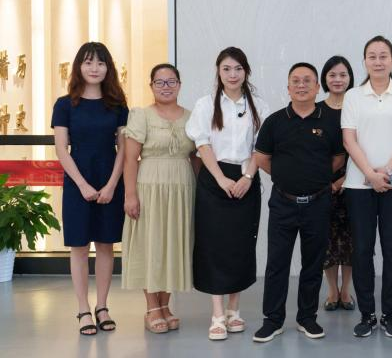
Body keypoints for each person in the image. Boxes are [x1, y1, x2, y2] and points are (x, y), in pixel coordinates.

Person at [252, 63, 346, 342]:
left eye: (307, 81)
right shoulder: (275, 122)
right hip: (283, 203)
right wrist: (285, 176)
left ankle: (307, 318)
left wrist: (318, 178)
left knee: (313, 263)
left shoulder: (330, 122)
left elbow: (338, 158)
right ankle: (273, 320)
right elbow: (261, 158)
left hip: (318, 203)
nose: (301, 85)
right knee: (277, 263)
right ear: (288, 87)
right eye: (296, 81)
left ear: (317, 87)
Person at [185, 47, 269, 341]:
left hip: (246, 178)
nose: (232, 75)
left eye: (238, 69)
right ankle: (217, 314)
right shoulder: (206, 104)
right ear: (218, 72)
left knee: (240, 245)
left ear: (246, 71)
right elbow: (202, 144)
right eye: (226, 69)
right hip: (214, 178)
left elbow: (260, 148)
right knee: (214, 245)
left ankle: (235, 310)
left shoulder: (258, 105)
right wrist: (221, 179)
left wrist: (247, 177)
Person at [341, 35, 392, 338]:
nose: (378, 61)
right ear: (364, 61)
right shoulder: (353, 96)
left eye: (383, 56)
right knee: (362, 250)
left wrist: (385, 171)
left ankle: (389, 315)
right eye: (372, 56)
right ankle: (367, 314)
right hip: (359, 184)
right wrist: (369, 173)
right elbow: (349, 139)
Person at [52, 42, 128, 335]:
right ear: (78, 67)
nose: (94, 68)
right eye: (88, 62)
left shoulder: (118, 105)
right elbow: (62, 149)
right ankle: (83, 309)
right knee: (80, 247)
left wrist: (112, 184)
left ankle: (103, 306)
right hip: (77, 183)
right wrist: (82, 184)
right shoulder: (64, 104)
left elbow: (123, 149)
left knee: (106, 245)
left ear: (108, 68)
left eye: (100, 62)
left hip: (110, 181)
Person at [122, 64, 197, 334]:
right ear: (151, 86)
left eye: (171, 81)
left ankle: (165, 305)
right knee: (151, 244)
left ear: (179, 84)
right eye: (160, 82)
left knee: (174, 244)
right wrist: (130, 194)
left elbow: (196, 157)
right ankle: (152, 307)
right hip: (149, 186)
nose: (166, 87)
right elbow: (130, 159)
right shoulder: (141, 115)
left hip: (182, 187)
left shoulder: (192, 117)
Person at [319, 56, 356, 311]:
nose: (338, 79)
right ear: (325, 79)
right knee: (328, 240)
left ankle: (346, 290)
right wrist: (328, 181)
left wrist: (346, 178)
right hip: (322, 184)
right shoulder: (317, 110)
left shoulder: (358, 107)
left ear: (350, 78)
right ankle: (332, 290)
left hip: (355, 181)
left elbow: (365, 146)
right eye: (332, 75)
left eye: (343, 75)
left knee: (352, 239)